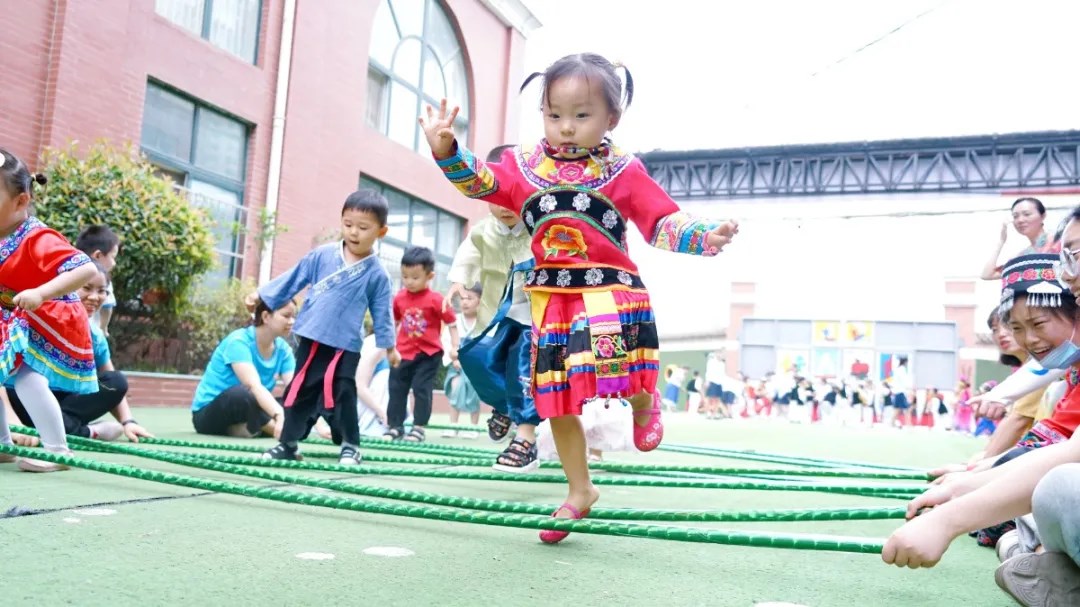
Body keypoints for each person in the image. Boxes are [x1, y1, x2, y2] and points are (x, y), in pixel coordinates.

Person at [421, 52, 738, 542]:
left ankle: (641, 398)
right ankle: (579, 490)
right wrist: (447, 151)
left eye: (581, 115)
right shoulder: (524, 165)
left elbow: (661, 220)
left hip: (610, 292)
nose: (565, 127)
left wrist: (704, 236)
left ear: (612, 118)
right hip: (552, 299)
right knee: (556, 397)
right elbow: (482, 182)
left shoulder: (624, 171)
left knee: (611, 368)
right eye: (554, 115)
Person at [256, 189, 398, 464]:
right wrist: (262, 296)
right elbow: (294, 278)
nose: (354, 232)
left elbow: (383, 311)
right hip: (311, 338)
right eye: (348, 225)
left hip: (345, 346)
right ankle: (288, 443)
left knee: (343, 392)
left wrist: (388, 346)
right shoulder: (321, 256)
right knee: (300, 390)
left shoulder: (377, 273)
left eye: (363, 227)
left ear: (381, 231)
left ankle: (350, 445)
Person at [444, 147, 543, 472]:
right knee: (475, 357)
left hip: (539, 321)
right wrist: (459, 280)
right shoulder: (484, 231)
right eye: (496, 196)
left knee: (525, 371)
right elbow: (468, 256)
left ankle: (525, 437)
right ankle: (504, 406)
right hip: (499, 317)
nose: (505, 208)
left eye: (514, 196)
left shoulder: (542, 229)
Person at [0, 148, 99, 472]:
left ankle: (58, 450)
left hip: (51, 311)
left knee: (25, 374)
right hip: (15, 315)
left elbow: (86, 269)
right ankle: (4, 445)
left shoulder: (36, 236)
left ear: (21, 201)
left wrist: (41, 293)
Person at [5, 261, 150, 442]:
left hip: (65, 402)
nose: (94, 297)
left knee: (116, 381)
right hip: (19, 400)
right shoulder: (32, 321)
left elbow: (108, 380)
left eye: (102, 291)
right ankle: (89, 432)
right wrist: (13, 423)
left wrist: (128, 421)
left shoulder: (95, 336)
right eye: (86, 288)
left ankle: (49, 428)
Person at [191, 297, 297, 439]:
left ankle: (251, 427)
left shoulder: (284, 350)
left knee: (293, 404)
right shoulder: (239, 341)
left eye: (293, 317)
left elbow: (296, 390)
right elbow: (254, 387)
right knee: (242, 395)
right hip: (210, 413)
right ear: (266, 316)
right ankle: (278, 430)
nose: (292, 322)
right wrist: (279, 415)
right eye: (286, 316)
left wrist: (318, 426)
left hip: (254, 408)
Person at [384, 246, 459, 443]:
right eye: (405, 276)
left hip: (428, 353)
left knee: (421, 388)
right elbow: (395, 322)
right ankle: (395, 426)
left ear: (429, 276)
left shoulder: (436, 300)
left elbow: (452, 324)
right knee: (396, 389)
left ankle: (418, 427)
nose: (409, 282)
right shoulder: (399, 297)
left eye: (415, 277)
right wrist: (390, 347)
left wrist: (455, 347)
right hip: (403, 353)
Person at [981, 197, 1059, 281]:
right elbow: (987, 274)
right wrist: (1001, 241)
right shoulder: (1021, 257)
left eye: (1027, 214)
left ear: (1043, 215)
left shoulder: (1060, 241)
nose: (1020, 220)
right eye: (1015, 216)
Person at [442, 283, 481, 438]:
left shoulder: (483, 322)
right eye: (462, 298)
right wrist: (453, 359)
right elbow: (446, 341)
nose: (464, 302)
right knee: (455, 385)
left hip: (476, 368)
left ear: (480, 301)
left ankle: (473, 427)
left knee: (474, 391)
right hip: (457, 365)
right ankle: (453, 425)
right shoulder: (455, 320)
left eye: (470, 298)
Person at [74, 225, 120, 336]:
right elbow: (107, 307)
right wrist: (103, 329)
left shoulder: (70, 271)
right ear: (98, 255)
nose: (114, 263)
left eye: (101, 291)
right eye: (113, 257)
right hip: (89, 334)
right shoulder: (103, 280)